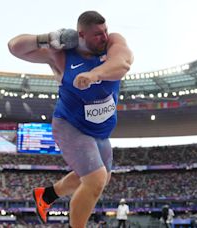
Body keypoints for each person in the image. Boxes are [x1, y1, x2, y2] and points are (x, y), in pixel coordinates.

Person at [8, 10, 133, 228]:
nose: (104, 37)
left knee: (102, 178)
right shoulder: (61, 55)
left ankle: (46, 196)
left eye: (105, 31)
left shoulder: (114, 41)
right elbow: (15, 46)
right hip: (71, 126)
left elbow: (122, 64)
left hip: (100, 131)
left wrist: (94, 75)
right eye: (97, 34)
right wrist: (46, 38)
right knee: (94, 180)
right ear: (81, 35)